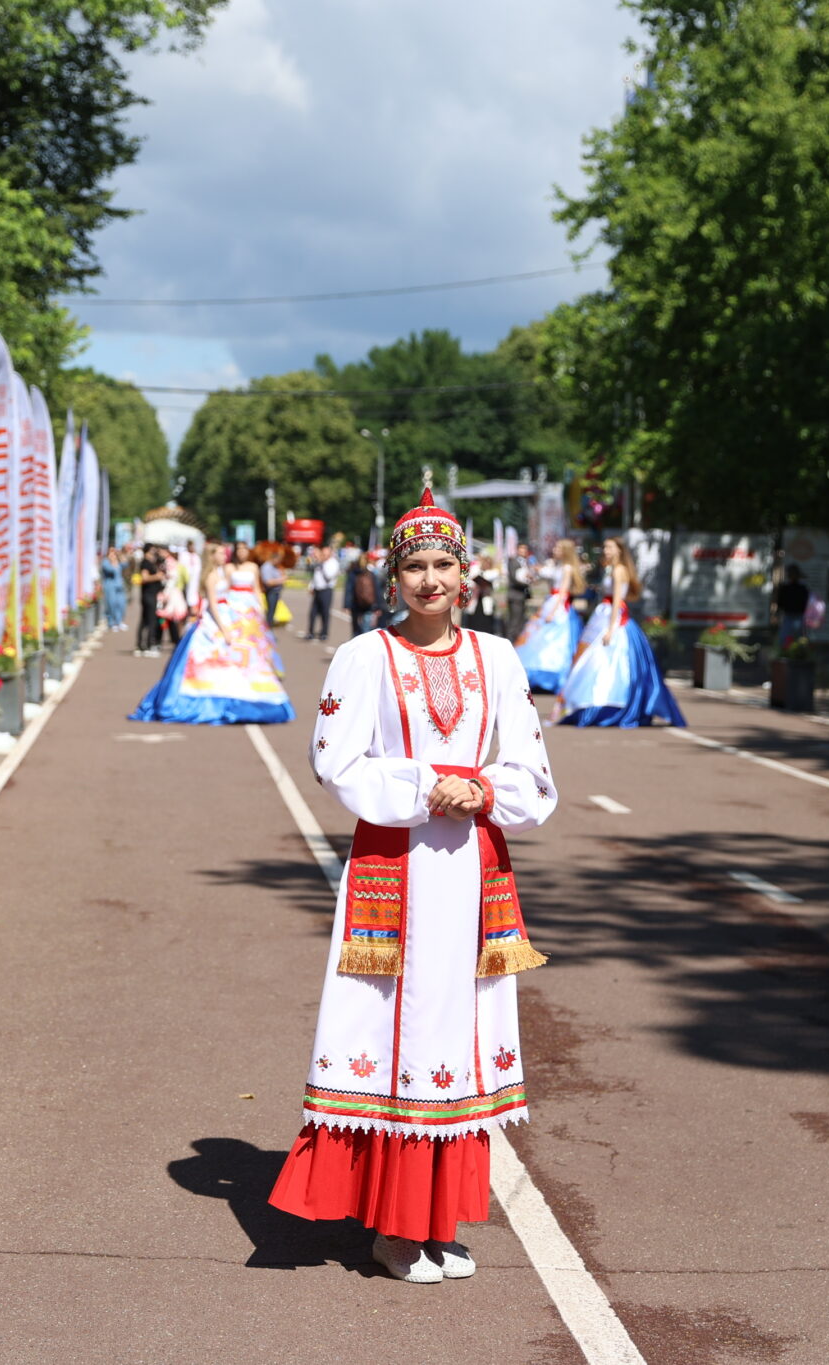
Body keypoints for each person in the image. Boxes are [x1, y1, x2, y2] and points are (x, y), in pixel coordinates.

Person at [268, 481, 558, 1284]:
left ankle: (436, 1222)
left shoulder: (497, 656)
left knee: (456, 1034)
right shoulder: (364, 656)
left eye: (444, 564)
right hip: (395, 868)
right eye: (415, 566)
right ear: (392, 578)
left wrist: (486, 789)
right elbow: (336, 760)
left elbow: (533, 771)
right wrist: (428, 784)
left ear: (466, 573)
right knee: (392, 1030)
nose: (431, 579)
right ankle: (394, 1228)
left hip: (472, 867)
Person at [129, 542, 293, 724]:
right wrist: (224, 628)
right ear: (212, 556)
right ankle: (206, 700)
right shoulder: (212, 576)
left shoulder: (224, 572)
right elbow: (213, 605)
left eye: (225, 553)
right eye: (221, 553)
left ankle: (234, 695)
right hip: (214, 621)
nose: (225, 556)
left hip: (228, 616)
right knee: (208, 661)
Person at [556, 538, 687, 728]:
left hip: (615, 621)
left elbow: (618, 601)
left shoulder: (619, 570)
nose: (606, 550)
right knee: (595, 662)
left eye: (610, 547)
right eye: (605, 547)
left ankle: (612, 706)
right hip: (605, 616)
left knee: (613, 664)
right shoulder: (612, 569)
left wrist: (610, 629)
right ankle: (592, 703)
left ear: (619, 550)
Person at [514, 540, 584, 693]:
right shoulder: (559, 566)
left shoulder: (567, 567)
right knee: (539, 637)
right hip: (552, 601)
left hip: (558, 605)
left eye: (558, 547)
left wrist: (553, 611)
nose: (555, 549)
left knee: (554, 640)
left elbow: (563, 591)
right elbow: (546, 572)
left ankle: (552, 675)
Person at [302, 545, 339, 643]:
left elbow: (328, 576)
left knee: (325, 613)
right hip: (317, 590)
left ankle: (324, 633)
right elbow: (315, 576)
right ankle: (310, 632)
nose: (323, 555)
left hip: (326, 590)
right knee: (312, 613)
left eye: (325, 553)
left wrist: (322, 565)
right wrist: (311, 586)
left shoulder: (333, 563)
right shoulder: (320, 563)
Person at [134, 548, 165, 656]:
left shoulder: (151, 563)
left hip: (151, 594)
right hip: (149, 595)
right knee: (150, 620)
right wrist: (157, 576)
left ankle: (141, 645)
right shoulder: (146, 563)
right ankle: (148, 645)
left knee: (145, 620)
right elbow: (145, 577)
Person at [773, 565, 811, 649]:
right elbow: (780, 603)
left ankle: (798, 653)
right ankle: (784, 651)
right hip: (788, 615)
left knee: (798, 638)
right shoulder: (785, 588)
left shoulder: (802, 588)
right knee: (784, 638)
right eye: (791, 574)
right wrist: (777, 613)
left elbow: (806, 603)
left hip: (798, 616)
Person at [347, 552, 381, 637]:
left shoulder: (353, 573)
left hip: (355, 604)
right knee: (366, 628)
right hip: (368, 604)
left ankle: (356, 642)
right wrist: (378, 606)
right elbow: (376, 590)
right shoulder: (371, 573)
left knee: (356, 627)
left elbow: (349, 589)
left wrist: (346, 604)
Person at [101, 546, 128, 630]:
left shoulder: (118, 561)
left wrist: (120, 555)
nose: (113, 554)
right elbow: (111, 570)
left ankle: (119, 621)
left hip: (119, 586)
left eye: (114, 552)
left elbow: (125, 564)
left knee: (121, 604)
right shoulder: (105, 562)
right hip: (110, 586)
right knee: (111, 604)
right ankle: (111, 622)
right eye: (111, 552)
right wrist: (113, 561)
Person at [259, 549, 287, 624]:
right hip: (271, 592)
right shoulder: (267, 567)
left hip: (275, 592)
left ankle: (269, 626)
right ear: (274, 559)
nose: (279, 562)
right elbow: (268, 582)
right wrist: (281, 580)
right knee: (270, 612)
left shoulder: (275, 566)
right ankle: (268, 628)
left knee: (272, 611)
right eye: (278, 560)